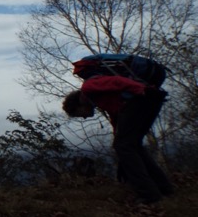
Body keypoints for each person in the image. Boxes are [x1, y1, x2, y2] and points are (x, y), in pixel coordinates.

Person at [62, 74, 174, 205]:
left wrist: (141, 89)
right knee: (132, 145)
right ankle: (164, 188)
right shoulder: (98, 99)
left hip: (141, 98)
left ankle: (149, 195)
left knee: (125, 146)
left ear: (78, 105)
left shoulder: (88, 88)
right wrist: (122, 153)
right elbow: (117, 119)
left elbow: (116, 81)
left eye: (79, 114)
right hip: (147, 100)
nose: (84, 117)